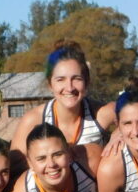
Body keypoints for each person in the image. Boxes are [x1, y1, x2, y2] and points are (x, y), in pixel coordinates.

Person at [10, 42, 114, 171]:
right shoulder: (33, 120)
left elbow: (137, 110)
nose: (69, 88)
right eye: (60, 79)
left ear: (87, 82)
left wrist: (119, 132)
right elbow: (13, 171)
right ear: (50, 84)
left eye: (76, 78)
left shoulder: (99, 114)